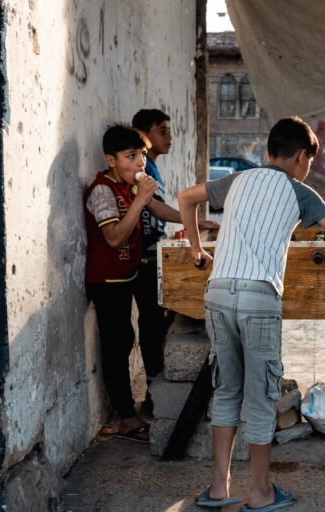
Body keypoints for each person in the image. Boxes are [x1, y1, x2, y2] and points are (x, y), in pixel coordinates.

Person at [178, 116, 325, 511]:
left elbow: (185, 198)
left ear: (269, 151)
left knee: (228, 389)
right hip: (257, 298)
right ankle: (262, 493)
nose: (308, 169)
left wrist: (197, 249)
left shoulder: (236, 180)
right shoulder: (302, 193)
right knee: (263, 396)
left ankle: (218, 488)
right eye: (309, 162)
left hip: (217, 292)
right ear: (301, 157)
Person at [131, 109, 218, 414]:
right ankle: (156, 390)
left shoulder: (150, 167)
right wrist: (196, 223)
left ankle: (161, 385)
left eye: (170, 130)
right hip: (143, 256)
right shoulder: (143, 170)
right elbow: (154, 209)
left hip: (154, 251)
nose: (170, 137)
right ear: (144, 135)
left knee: (164, 322)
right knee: (154, 324)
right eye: (162, 131)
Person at [84, 125, 158, 443]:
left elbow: (158, 208)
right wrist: (140, 200)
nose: (140, 162)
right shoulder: (103, 191)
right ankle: (126, 418)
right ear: (111, 160)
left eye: (142, 154)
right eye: (132, 156)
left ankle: (126, 411)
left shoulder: (129, 186)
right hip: (106, 280)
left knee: (126, 338)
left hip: (125, 276)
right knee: (117, 346)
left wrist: (192, 218)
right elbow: (113, 238)